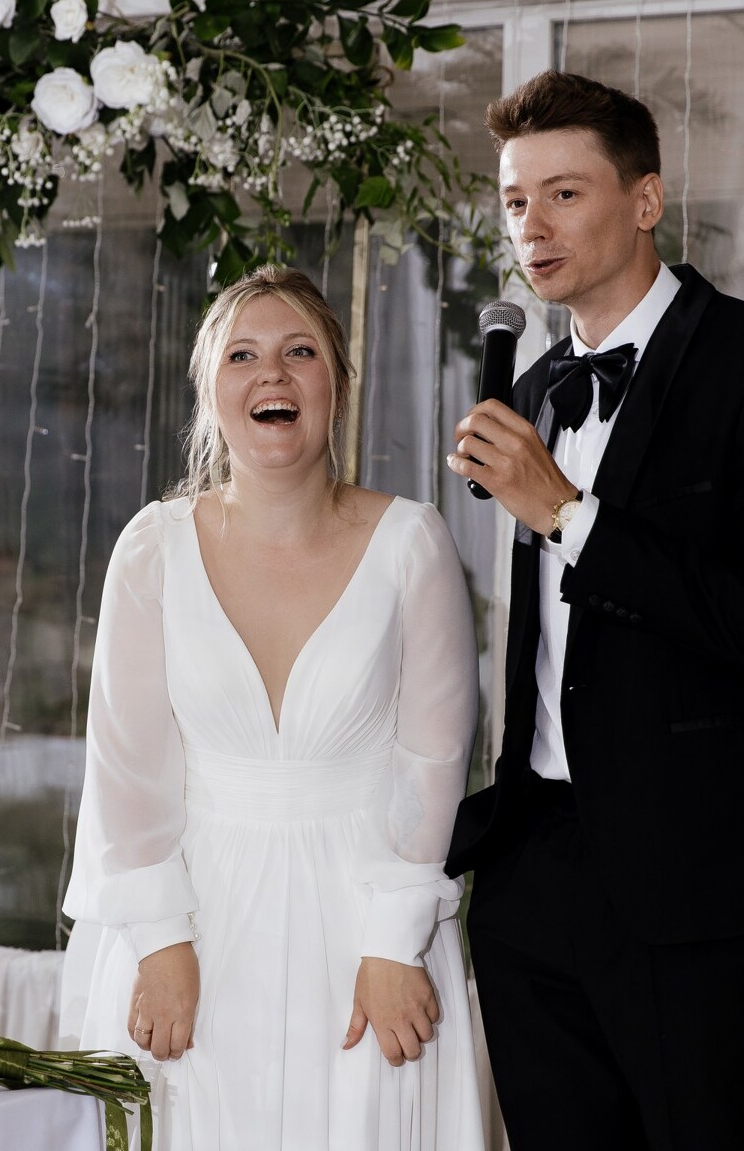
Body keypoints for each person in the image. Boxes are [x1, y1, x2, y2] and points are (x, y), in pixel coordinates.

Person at [444, 71, 744, 1149]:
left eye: (564, 193)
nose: (533, 226)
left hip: (707, 883)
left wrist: (566, 513)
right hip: (537, 875)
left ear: (645, 200)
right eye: (515, 201)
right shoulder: (533, 389)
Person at [60, 266, 484, 1150]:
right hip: (193, 930)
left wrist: (394, 942)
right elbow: (125, 770)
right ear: (211, 393)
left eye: (300, 352)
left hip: (370, 933)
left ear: (338, 385)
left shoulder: (413, 543)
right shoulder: (152, 551)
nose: (273, 375)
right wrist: (159, 942)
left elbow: (435, 762)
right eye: (242, 356)